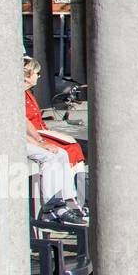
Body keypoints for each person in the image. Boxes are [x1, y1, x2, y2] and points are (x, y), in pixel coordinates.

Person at [23, 58, 86, 226]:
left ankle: (66, 203)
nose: (39, 76)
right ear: (27, 75)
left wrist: (39, 139)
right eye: (36, 73)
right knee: (49, 157)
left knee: (63, 153)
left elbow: (26, 122)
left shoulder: (26, 93)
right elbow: (18, 125)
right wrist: (40, 143)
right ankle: (50, 208)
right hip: (16, 140)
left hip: (33, 135)